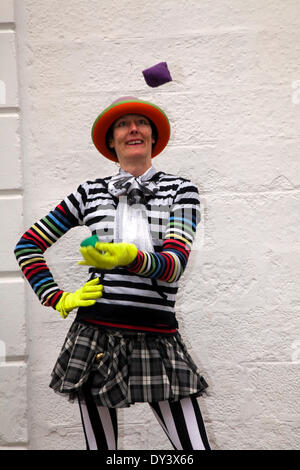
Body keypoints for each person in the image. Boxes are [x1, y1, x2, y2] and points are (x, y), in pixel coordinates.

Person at [14, 96, 211, 451]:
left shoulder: (182, 190)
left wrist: (130, 257)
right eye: (122, 124)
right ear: (111, 141)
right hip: (95, 336)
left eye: (141, 123)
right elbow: (27, 246)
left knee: (194, 450)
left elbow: (174, 264)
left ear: (153, 137)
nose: (133, 129)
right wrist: (58, 297)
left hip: (157, 336)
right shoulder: (89, 193)